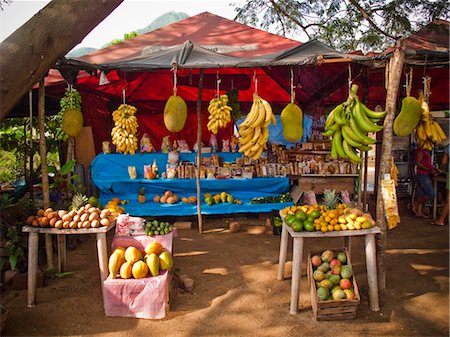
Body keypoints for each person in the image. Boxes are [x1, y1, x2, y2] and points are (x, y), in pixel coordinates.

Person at [412, 145, 439, 217]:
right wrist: (429, 170)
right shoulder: (420, 151)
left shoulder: (426, 151)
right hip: (422, 175)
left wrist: (433, 169)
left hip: (424, 174)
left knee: (422, 194)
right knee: (431, 194)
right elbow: (418, 163)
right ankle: (415, 204)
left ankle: (419, 212)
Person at [431, 143, 449, 226]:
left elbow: (443, 162)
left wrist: (441, 169)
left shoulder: (449, 147)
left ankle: (441, 220)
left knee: (449, 199)